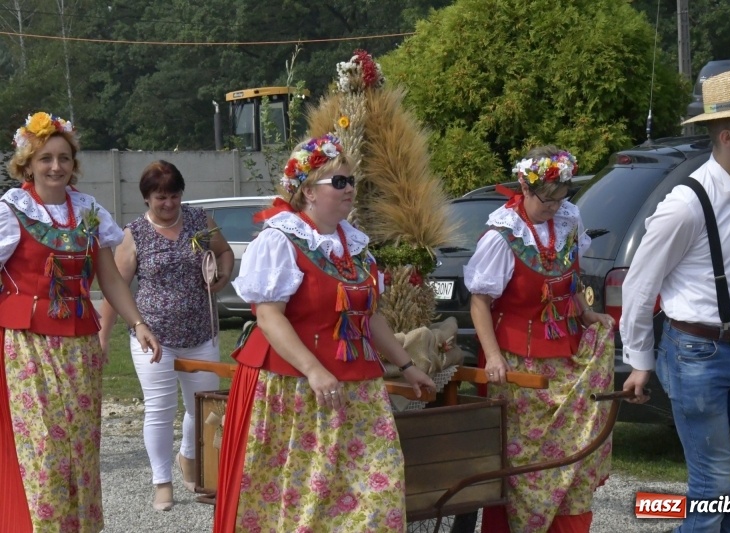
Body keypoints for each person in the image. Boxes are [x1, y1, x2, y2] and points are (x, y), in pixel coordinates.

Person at [212, 133, 435, 532]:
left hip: (359, 390)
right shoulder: (280, 240)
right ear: (308, 193)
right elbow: (268, 316)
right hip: (296, 388)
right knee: (303, 503)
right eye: (339, 182)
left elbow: (370, 317)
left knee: (378, 498)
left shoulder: (356, 246)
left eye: (351, 181)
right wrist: (314, 370)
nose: (349, 189)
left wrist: (405, 365)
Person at [621, 69, 730, 532]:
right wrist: (639, 359)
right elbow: (640, 284)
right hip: (694, 354)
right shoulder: (686, 204)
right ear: (727, 135)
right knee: (711, 487)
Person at [0, 111, 161, 532]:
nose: (56, 167)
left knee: (83, 448)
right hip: (29, 343)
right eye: (45, 158)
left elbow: (108, 275)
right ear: (28, 165)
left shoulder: (87, 211)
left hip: (80, 344)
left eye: (64, 158)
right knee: (46, 449)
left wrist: (138, 322)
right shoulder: (11, 211)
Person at [465, 145, 616, 533]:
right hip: (519, 367)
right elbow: (480, 303)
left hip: (565, 357)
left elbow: (570, 279)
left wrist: (587, 313)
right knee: (525, 468)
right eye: (545, 199)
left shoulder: (568, 220)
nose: (553, 206)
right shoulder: (502, 235)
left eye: (560, 197)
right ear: (524, 187)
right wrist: (493, 357)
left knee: (573, 457)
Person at [98, 160, 234, 511]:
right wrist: (103, 335)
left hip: (201, 332)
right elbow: (117, 287)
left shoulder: (198, 220)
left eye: (174, 196)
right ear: (147, 198)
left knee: (203, 408)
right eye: (161, 197)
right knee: (160, 409)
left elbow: (224, 251)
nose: (169, 203)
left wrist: (223, 274)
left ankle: (189, 458)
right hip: (152, 336)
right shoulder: (134, 234)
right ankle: (162, 482)